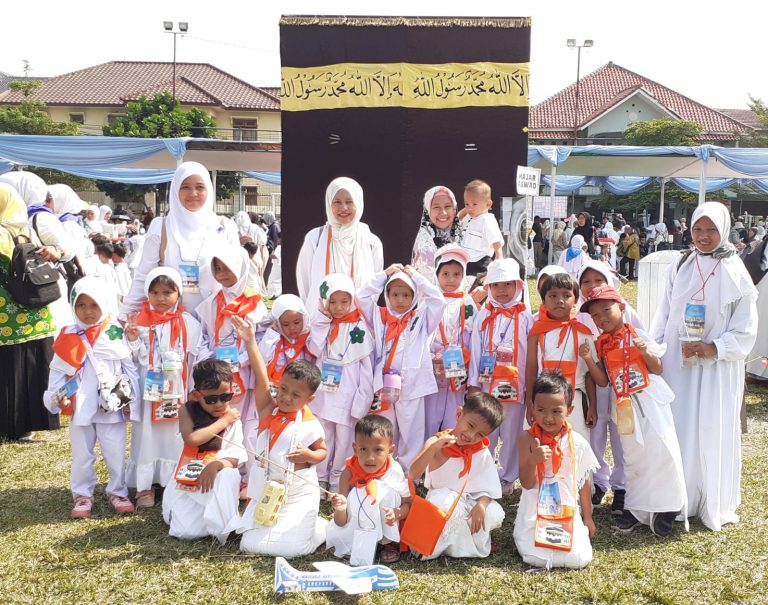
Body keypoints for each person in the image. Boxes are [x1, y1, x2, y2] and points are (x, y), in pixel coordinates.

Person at [650, 202, 757, 531]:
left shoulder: (735, 271)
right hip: (678, 364)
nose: (704, 236)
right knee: (678, 428)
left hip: (715, 370)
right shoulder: (681, 264)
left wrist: (714, 348)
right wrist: (655, 350)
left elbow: (746, 329)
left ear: (723, 230)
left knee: (709, 429)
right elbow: (664, 313)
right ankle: (674, 498)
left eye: (711, 230)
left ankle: (706, 498)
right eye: (698, 229)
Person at [582, 285, 688, 536]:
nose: (602, 318)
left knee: (661, 452)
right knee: (633, 457)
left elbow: (658, 368)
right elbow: (602, 381)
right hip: (624, 405)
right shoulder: (602, 344)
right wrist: (588, 359)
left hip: (649, 399)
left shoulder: (637, 333)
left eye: (606, 310)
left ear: (621, 307)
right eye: (595, 316)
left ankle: (669, 507)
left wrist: (644, 351)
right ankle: (637, 508)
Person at [43, 277, 140, 518]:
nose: (88, 312)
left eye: (94, 305)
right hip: (80, 407)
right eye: (81, 306)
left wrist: (132, 403)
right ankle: (82, 494)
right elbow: (56, 372)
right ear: (73, 306)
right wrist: (57, 398)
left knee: (115, 450)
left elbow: (130, 369)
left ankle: (118, 491)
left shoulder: (116, 332)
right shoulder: (67, 334)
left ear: (104, 303)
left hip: (111, 405)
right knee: (82, 454)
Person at [235, 316, 329, 557]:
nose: (286, 398)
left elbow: (322, 451)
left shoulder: (310, 423)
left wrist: (310, 455)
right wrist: (249, 341)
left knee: (293, 550)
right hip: (268, 491)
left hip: (298, 493)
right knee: (249, 545)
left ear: (310, 400)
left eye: (295, 395)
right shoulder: (268, 408)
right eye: (283, 389)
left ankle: (319, 527)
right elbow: (260, 375)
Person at [125, 267, 205, 508]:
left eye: (168, 292)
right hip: (149, 391)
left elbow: (195, 356)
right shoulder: (138, 321)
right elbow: (135, 358)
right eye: (155, 292)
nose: (161, 298)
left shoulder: (187, 322)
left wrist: (193, 387)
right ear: (147, 294)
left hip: (176, 391)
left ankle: (173, 479)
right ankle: (144, 486)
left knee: (175, 434)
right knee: (146, 436)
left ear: (178, 293)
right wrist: (132, 339)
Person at [121, 162, 240, 318]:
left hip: (216, 322)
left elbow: (239, 276)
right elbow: (143, 276)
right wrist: (126, 314)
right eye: (185, 187)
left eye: (200, 187)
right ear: (175, 189)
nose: (193, 193)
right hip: (172, 325)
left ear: (209, 190)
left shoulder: (225, 227)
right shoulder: (161, 227)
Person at [357, 264, 445, 473]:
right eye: (395, 294)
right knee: (386, 426)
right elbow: (361, 296)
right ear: (387, 295)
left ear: (414, 297)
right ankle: (385, 466)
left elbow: (438, 300)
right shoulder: (379, 317)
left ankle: (408, 470)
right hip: (384, 383)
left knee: (411, 427)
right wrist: (384, 274)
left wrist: (416, 277)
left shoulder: (421, 318)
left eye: (406, 295)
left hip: (412, 383)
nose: (400, 300)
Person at [514, 373, 599, 569]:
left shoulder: (577, 442)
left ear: (569, 410)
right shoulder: (526, 439)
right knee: (534, 557)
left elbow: (584, 482)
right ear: (532, 408)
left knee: (579, 559)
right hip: (535, 507)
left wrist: (587, 518)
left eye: (556, 411)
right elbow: (527, 484)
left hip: (566, 508)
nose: (548, 417)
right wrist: (533, 461)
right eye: (541, 410)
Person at [408, 392, 505, 559]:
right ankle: (443, 546)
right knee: (448, 506)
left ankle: (469, 546)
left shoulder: (480, 450)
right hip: (442, 499)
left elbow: (488, 487)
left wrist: (481, 505)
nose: (472, 436)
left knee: (494, 512)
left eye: (480, 434)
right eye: (471, 426)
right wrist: (434, 448)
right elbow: (413, 473)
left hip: (469, 502)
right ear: (459, 414)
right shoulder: (436, 442)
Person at [575, 260, 639, 513]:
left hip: (623, 388)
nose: (592, 287)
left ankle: (621, 485)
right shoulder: (579, 314)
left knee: (622, 434)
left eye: (598, 281)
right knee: (595, 434)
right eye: (586, 282)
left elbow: (641, 342)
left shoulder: (625, 310)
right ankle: (598, 482)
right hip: (595, 385)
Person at [161, 358, 246, 543]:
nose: (219, 404)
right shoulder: (187, 411)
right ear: (197, 395)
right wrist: (223, 422)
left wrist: (216, 465)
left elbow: (235, 458)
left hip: (216, 478)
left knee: (229, 474)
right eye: (211, 399)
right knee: (186, 532)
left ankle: (226, 527)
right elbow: (191, 440)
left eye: (225, 397)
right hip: (189, 479)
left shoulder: (233, 419)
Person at [0, 183, 60, 441]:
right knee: (35, 367)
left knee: (9, 367)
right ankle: (31, 424)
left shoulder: (2, 232)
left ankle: (9, 425)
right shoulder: (27, 229)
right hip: (37, 312)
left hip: (7, 314)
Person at [468, 258, 532, 496]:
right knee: (487, 429)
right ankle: (483, 473)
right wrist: (474, 383)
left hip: (516, 387)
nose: (502, 290)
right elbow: (475, 349)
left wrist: (529, 387)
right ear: (488, 289)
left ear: (518, 285)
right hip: (487, 384)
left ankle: (507, 477)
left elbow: (531, 353)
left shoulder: (526, 317)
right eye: (496, 285)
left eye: (507, 284)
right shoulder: (483, 316)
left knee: (512, 432)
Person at [308, 273, 375, 493]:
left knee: (345, 438)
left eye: (344, 301)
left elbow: (366, 368)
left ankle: (338, 476)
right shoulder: (322, 323)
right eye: (333, 302)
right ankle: (319, 475)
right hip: (324, 393)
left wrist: (362, 398)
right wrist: (323, 322)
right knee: (323, 433)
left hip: (348, 393)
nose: (338, 307)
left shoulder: (360, 327)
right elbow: (314, 349)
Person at [196, 246, 268, 447]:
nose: (222, 274)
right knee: (218, 415)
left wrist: (241, 360)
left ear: (240, 267)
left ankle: (240, 465)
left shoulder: (254, 304)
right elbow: (203, 335)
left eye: (227, 268)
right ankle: (218, 458)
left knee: (242, 417)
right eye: (217, 269)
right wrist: (210, 360)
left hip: (244, 370)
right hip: (216, 371)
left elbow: (260, 339)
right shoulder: (212, 303)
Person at [525, 273, 607, 443]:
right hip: (542, 402)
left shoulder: (583, 333)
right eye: (553, 296)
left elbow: (589, 374)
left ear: (575, 300)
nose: (560, 301)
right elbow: (531, 370)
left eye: (566, 295)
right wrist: (530, 404)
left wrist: (592, 405)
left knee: (575, 446)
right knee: (541, 446)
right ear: (543, 301)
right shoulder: (536, 333)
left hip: (574, 402)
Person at [327, 415, 411, 564]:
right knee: (357, 494)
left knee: (384, 491)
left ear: (390, 450)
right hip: (357, 530)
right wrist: (340, 509)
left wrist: (397, 513)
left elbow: (408, 504)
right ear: (355, 448)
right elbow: (341, 522)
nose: (370, 457)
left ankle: (387, 543)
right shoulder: (348, 473)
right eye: (363, 449)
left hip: (387, 526)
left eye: (378, 450)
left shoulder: (394, 471)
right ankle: (361, 543)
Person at [0, 172, 76, 331]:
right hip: (31, 293)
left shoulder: (40, 217)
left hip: (37, 288)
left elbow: (68, 249)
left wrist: (57, 250)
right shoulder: (21, 219)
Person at [296, 177, 383, 309]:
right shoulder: (315, 238)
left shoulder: (371, 242)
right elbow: (305, 281)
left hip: (359, 321)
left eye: (349, 201)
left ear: (358, 203)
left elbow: (375, 285)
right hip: (321, 320)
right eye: (337, 202)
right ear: (329, 204)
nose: (343, 208)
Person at [425, 245, 477, 439]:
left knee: (454, 413)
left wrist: (467, 359)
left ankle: (450, 452)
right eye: (445, 274)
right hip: (434, 368)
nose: (451, 279)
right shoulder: (429, 301)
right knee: (430, 415)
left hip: (458, 368)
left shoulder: (468, 302)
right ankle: (429, 454)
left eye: (457, 274)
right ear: (436, 275)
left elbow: (472, 335)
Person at [411, 185, 462, 283]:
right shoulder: (424, 244)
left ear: (454, 208)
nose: (443, 212)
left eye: (447, 206)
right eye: (436, 207)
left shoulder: (464, 233)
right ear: (428, 211)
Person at [460, 180, 504, 278]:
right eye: (467, 204)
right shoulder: (467, 217)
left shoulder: (487, 219)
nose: (470, 208)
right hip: (464, 262)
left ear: (488, 204)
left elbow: (496, 240)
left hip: (480, 263)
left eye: (474, 204)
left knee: (477, 287)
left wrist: (499, 257)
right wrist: (466, 209)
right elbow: (456, 219)